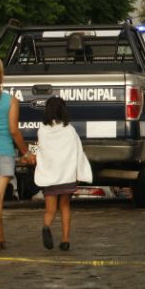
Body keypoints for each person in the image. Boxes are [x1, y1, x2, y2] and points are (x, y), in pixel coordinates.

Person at [34, 96, 92, 251]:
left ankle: (46, 226)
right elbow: (77, 151)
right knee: (65, 206)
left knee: (50, 210)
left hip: (50, 176)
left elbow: (42, 151)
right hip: (66, 175)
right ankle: (65, 240)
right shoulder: (70, 130)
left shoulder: (43, 130)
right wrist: (80, 172)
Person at [0, 58, 36, 254]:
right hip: (3, 152)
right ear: (1, 77)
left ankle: (1, 238)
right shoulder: (11, 101)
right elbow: (13, 130)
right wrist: (26, 152)